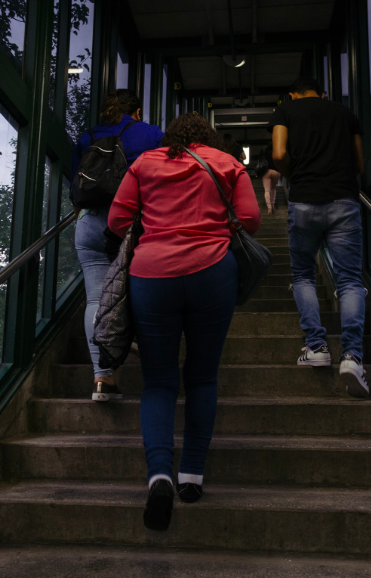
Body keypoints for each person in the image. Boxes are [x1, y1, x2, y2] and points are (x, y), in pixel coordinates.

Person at [108, 113, 260, 531]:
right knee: (203, 377)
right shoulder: (228, 164)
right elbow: (250, 220)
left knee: (158, 380)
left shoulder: (144, 164)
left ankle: (159, 475)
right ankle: (192, 474)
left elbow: (117, 221)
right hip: (213, 272)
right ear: (208, 137)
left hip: (152, 275)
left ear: (169, 137)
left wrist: (155, 230)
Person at [269, 77, 368, 399]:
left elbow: (279, 153)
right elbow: (359, 163)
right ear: (323, 93)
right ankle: (352, 356)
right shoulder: (345, 113)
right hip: (343, 200)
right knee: (350, 282)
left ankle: (317, 346)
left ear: (293, 93)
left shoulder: (286, 111)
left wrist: (295, 176)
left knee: (303, 276)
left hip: (304, 201)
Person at [72, 89, 163, 402]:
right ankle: (156, 372)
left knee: (96, 298)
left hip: (91, 222)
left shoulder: (89, 136)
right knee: (145, 293)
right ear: (137, 111)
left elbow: (76, 183)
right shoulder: (152, 134)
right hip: (135, 225)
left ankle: (102, 379)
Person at [260, 143, 281, 214]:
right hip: (276, 171)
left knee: (267, 190)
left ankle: (269, 208)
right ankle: (273, 205)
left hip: (266, 172)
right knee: (273, 188)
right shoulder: (277, 151)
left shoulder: (263, 152)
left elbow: (259, 161)